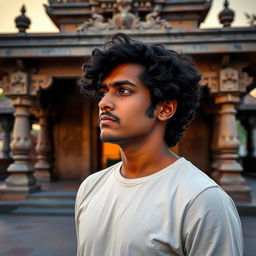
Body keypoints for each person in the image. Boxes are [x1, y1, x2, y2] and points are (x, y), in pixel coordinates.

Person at [75, 33, 243, 256]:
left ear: (164, 109)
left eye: (123, 90)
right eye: (104, 92)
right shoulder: (90, 187)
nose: (104, 103)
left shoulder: (202, 200)